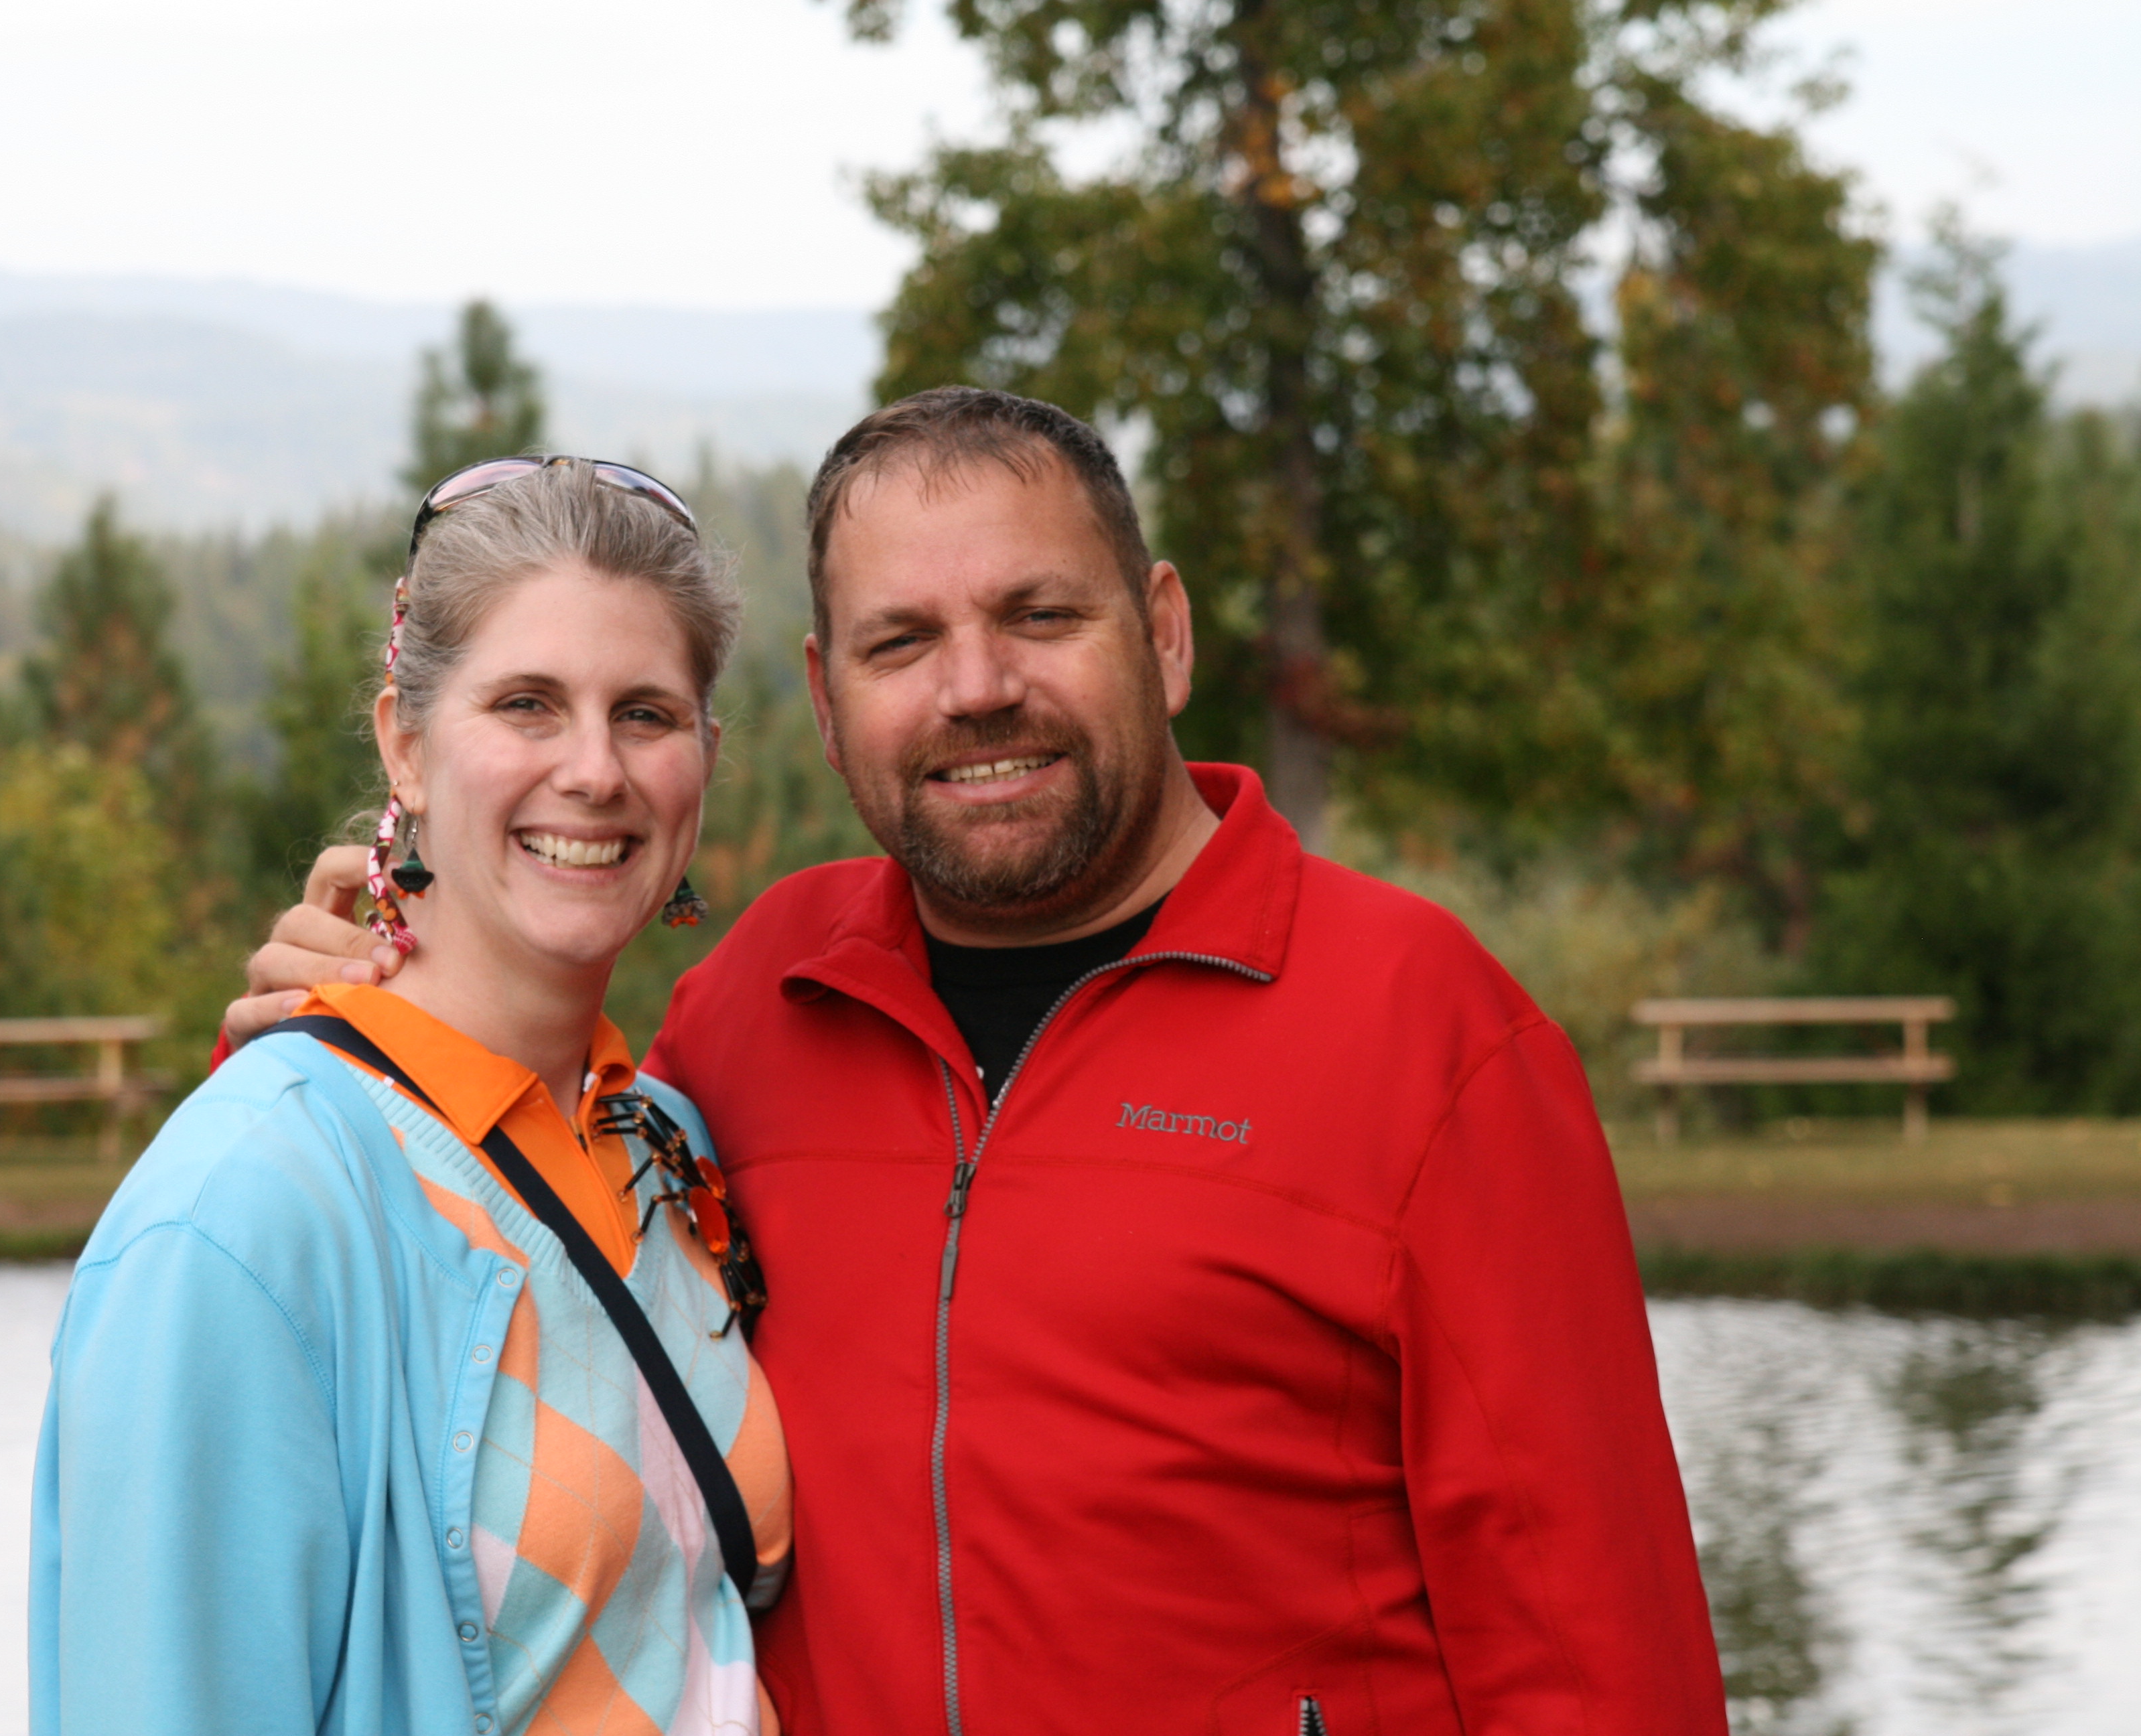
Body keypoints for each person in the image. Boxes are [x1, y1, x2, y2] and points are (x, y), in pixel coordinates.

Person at [228, 390, 1728, 1735]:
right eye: (902, 643)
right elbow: (535, 1236)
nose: (977, 687)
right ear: (827, 701)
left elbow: (1596, 1654)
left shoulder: (1427, 1033)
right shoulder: (757, 1004)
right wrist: (372, 1015)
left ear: (1165, 633)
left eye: (1041, 616)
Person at [31, 457, 792, 1736]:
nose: (594, 770)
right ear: (406, 744)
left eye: (647, 714)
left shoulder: (667, 1144)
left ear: (705, 761)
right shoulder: (242, 1216)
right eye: (527, 705)